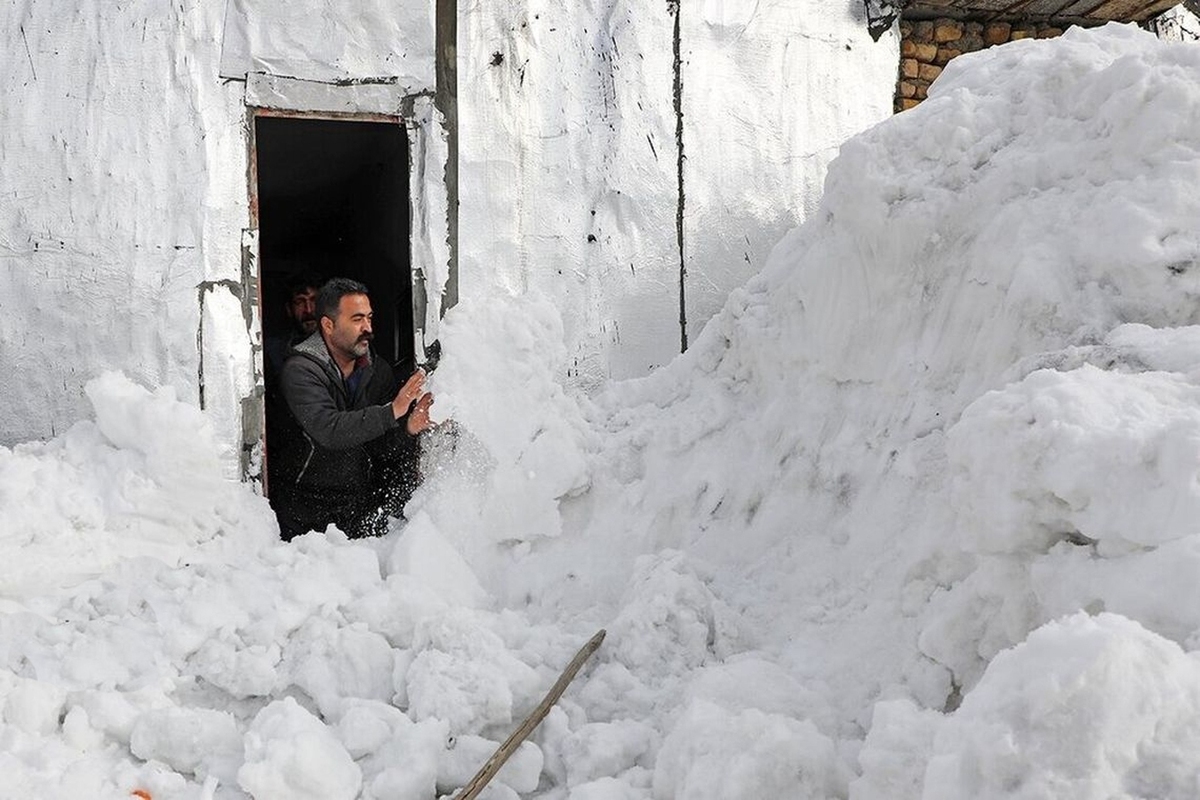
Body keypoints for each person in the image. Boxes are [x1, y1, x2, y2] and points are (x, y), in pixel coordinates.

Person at [270, 277, 435, 540]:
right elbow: (329, 429)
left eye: (369, 318)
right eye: (357, 319)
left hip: (355, 504)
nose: (367, 328)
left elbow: (380, 445)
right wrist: (393, 411)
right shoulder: (300, 369)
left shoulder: (376, 371)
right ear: (328, 325)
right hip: (303, 508)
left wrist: (408, 428)